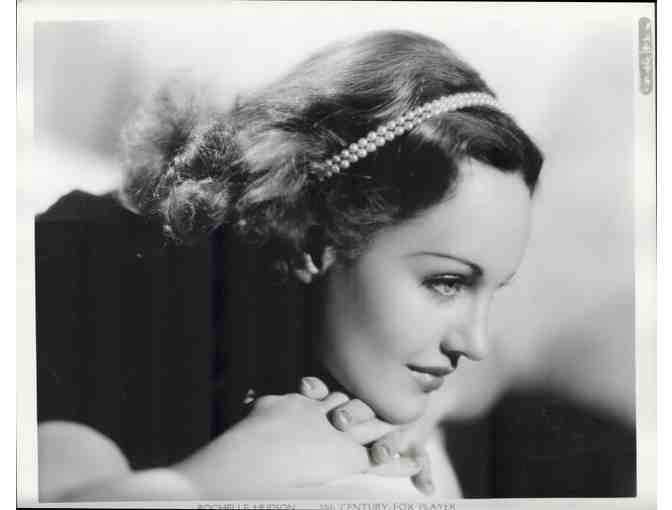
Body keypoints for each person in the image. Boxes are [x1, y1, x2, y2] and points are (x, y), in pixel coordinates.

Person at [35, 29, 543, 500]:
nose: (473, 343)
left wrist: (429, 404)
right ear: (317, 241)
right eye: (447, 282)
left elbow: (492, 365)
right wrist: (220, 477)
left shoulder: (344, 321)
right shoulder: (106, 269)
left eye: (491, 290)